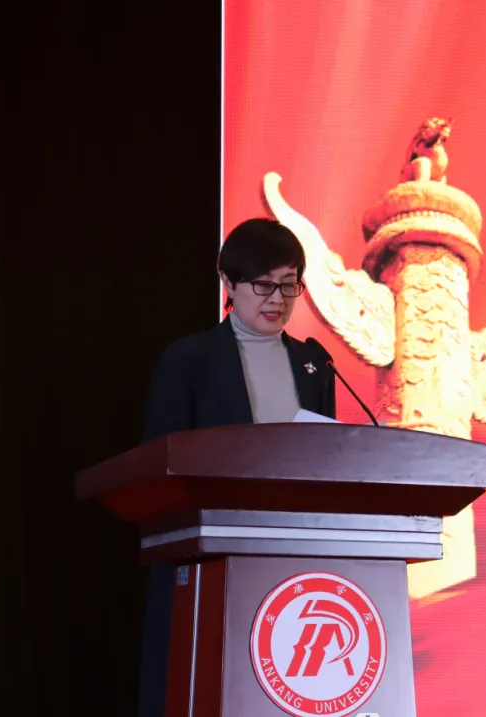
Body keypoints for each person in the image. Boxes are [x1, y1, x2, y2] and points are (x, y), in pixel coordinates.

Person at [136, 217, 336, 717]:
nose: (278, 299)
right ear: (227, 282)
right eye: (263, 284)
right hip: (209, 560)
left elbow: (327, 463)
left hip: (293, 562)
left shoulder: (313, 365)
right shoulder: (190, 360)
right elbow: (159, 464)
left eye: (289, 285)